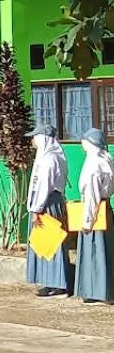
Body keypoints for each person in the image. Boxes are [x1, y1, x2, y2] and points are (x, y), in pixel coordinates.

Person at [25, 125, 73, 298]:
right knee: (46, 244)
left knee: (51, 243)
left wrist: (36, 209)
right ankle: (51, 281)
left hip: (47, 204)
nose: (32, 140)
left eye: (35, 137)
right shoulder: (53, 156)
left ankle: (57, 283)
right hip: (51, 202)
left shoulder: (49, 159)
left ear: (43, 138)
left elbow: (44, 186)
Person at [75, 128, 114, 304]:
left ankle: (97, 291)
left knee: (95, 251)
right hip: (106, 210)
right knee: (107, 250)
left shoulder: (92, 165)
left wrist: (87, 221)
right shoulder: (106, 161)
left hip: (96, 212)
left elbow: (91, 196)